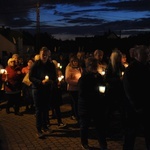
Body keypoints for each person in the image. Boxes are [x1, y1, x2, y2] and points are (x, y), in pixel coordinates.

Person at [122, 45, 150, 150]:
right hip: (134, 109)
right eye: (144, 54)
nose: (147, 56)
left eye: (147, 53)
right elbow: (129, 90)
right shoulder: (131, 70)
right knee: (131, 133)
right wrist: (137, 106)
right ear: (137, 55)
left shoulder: (147, 66)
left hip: (146, 106)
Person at [78, 56, 108, 150]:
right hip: (86, 106)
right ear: (88, 67)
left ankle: (103, 144)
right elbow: (82, 93)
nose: (95, 67)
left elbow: (103, 86)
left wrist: (104, 91)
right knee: (85, 126)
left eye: (96, 65)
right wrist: (96, 92)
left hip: (97, 106)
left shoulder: (99, 76)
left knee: (100, 125)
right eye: (92, 65)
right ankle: (84, 142)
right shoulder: (83, 79)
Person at [29, 47, 57, 138]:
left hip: (47, 89)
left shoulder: (51, 65)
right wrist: (40, 82)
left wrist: (52, 81)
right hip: (37, 89)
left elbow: (54, 76)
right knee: (39, 110)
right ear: (40, 54)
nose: (44, 56)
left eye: (46, 54)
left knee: (46, 109)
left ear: (49, 55)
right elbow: (31, 77)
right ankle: (39, 129)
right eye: (43, 54)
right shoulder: (36, 64)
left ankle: (45, 126)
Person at [104, 49, 126, 138]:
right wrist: (118, 79)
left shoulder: (121, 66)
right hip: (112, 92)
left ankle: (122, 129)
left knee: (122, 111)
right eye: (119, 57)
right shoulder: (110, 66)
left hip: (120, 91)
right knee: (110, 111)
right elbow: (106, 79)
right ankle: (107, 130)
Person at [65, 54, 83, 121]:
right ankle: (76, 116)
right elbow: (67, 79)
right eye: (74, 61)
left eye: (76, 61)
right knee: (75, 102)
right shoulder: (69, 68)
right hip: (72, 89)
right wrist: (77, 83)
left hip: (79, 88)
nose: (75, 63)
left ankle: (77, 114)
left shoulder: (79, 68)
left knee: (77, 102)